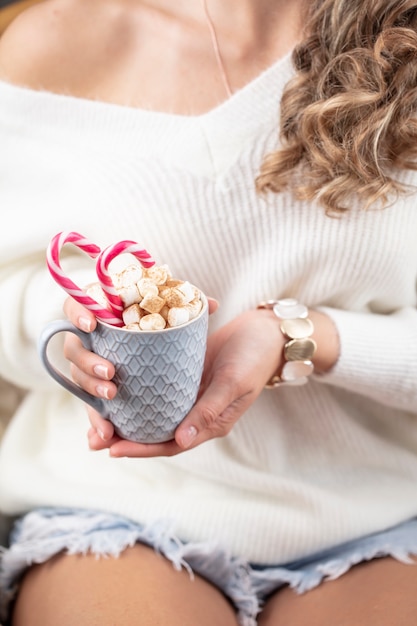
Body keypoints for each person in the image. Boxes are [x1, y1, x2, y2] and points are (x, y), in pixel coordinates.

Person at [0, 0, 417, 623]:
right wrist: (64, 327)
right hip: (118, 501)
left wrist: (301, 340)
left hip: (377, 511)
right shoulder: (53, 42)